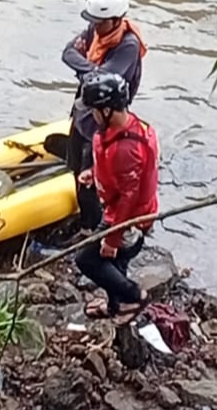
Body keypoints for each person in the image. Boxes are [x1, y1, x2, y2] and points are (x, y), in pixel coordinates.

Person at [74, 72, 159, 324]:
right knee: (116, 262)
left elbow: (128, 198)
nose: (92, 115)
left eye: (94, 111)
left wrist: (112, 238)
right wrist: (96, 174)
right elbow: (125, 176)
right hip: (128, 210)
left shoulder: (126, 148)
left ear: (107, 110)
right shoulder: (131, 126)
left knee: (87, 259)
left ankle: (135, 296)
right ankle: (116, 306)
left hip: (128, 218)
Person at [61, 0, 147, 230]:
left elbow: (103, 81)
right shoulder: (95, 31)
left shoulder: (127, 46)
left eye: (101, 22)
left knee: (90, 178)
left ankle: (93, 226)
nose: (95, 27)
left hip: (102, 123)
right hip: (83, 113)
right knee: (75, 165)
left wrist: (88, 72)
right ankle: (85, 216)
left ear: (117, 19)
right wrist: (90, 70)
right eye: (94, 22)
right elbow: (68, 53)